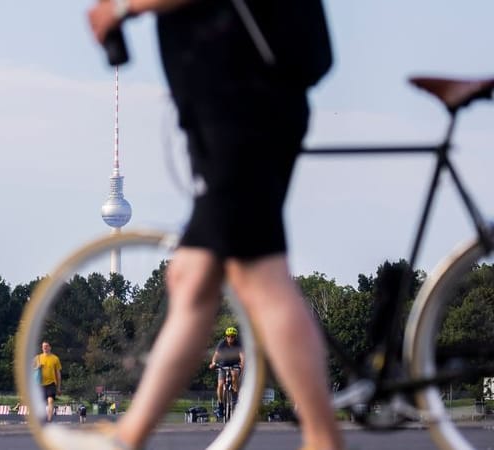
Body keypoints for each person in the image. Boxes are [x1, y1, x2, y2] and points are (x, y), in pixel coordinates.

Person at [84, 1, 342, 449]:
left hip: (242, 107)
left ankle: (322, 438)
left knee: (259, 276)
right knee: (192, 278)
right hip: (234, 107)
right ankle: (128, 436)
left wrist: (122, 8)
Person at [209, 326, 244, 415]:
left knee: (234, 375)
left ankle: (235, 398)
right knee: (220, 385)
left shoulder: (238, 344)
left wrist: (242, 365)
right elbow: (216, 355)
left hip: (234, 364)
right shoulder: (222, 343)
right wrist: (213, 363)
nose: (230, 338)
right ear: (226, 336)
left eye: (232, 336)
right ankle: (220, 404)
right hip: (223, 365)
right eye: (228, 336)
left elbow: (242, 356)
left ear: (235, 337)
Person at [34, 341, 62, 422]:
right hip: (40, 384)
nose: (45, 348)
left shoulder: (55, 358)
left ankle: (49, 419)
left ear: (50, 347)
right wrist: (37, 367)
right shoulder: (38, 358)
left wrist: (59, 387)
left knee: (50, 400)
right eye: (43, 346)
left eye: (46, 346)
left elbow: (58, 374)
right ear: (42, 348)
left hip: (51, 383)